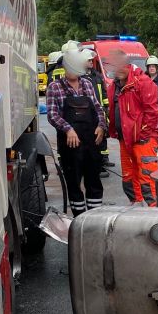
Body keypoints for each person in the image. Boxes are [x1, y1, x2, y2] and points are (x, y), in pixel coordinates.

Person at [46, 49, 107, 216]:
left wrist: (101, 126)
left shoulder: (87, 84)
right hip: (70, 146)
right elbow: (52, 115)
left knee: (94, 182)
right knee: (73, 183)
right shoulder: (55, 87)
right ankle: (79, 219)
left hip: (91, 143)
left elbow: (98, 108)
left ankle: (94, 219)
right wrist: (68, 129)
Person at [104, 50, 158, 206]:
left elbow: (152, 112)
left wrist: (143, 135)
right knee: (128, 177)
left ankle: (154, 210)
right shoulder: (113, 87)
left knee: (147, 177)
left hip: (143, 139)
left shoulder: (143, 82)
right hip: (125, 138)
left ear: (127, 65)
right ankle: (135, 206)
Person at [81, 48, 112, 176]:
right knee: (90, 138)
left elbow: (103, 93)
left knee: (101, 136)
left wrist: (106, 107)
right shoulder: (80, 77)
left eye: (91, 60)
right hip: (88, 113)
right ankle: (93, 167)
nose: (91, 62)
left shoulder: (97, 76)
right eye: (88, 60)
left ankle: (101, 162)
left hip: (99, 111)